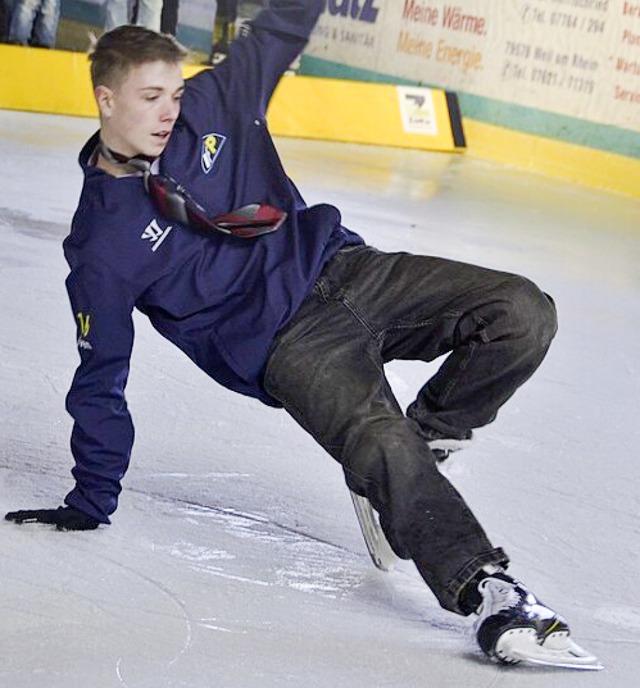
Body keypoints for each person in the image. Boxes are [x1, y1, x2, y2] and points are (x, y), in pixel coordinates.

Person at [4, 0, 601, 670]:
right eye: (150, 97)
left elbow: (285, 22)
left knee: (521, 311)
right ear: (106, 99)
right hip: (286, 343)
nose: (170, 111)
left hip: (346, 268)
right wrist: (91, 494)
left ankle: (425, 442)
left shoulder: (217, 101)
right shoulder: (102, 245)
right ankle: (491, 594)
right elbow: (101, 374)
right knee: (376, 435)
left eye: (175, 92)